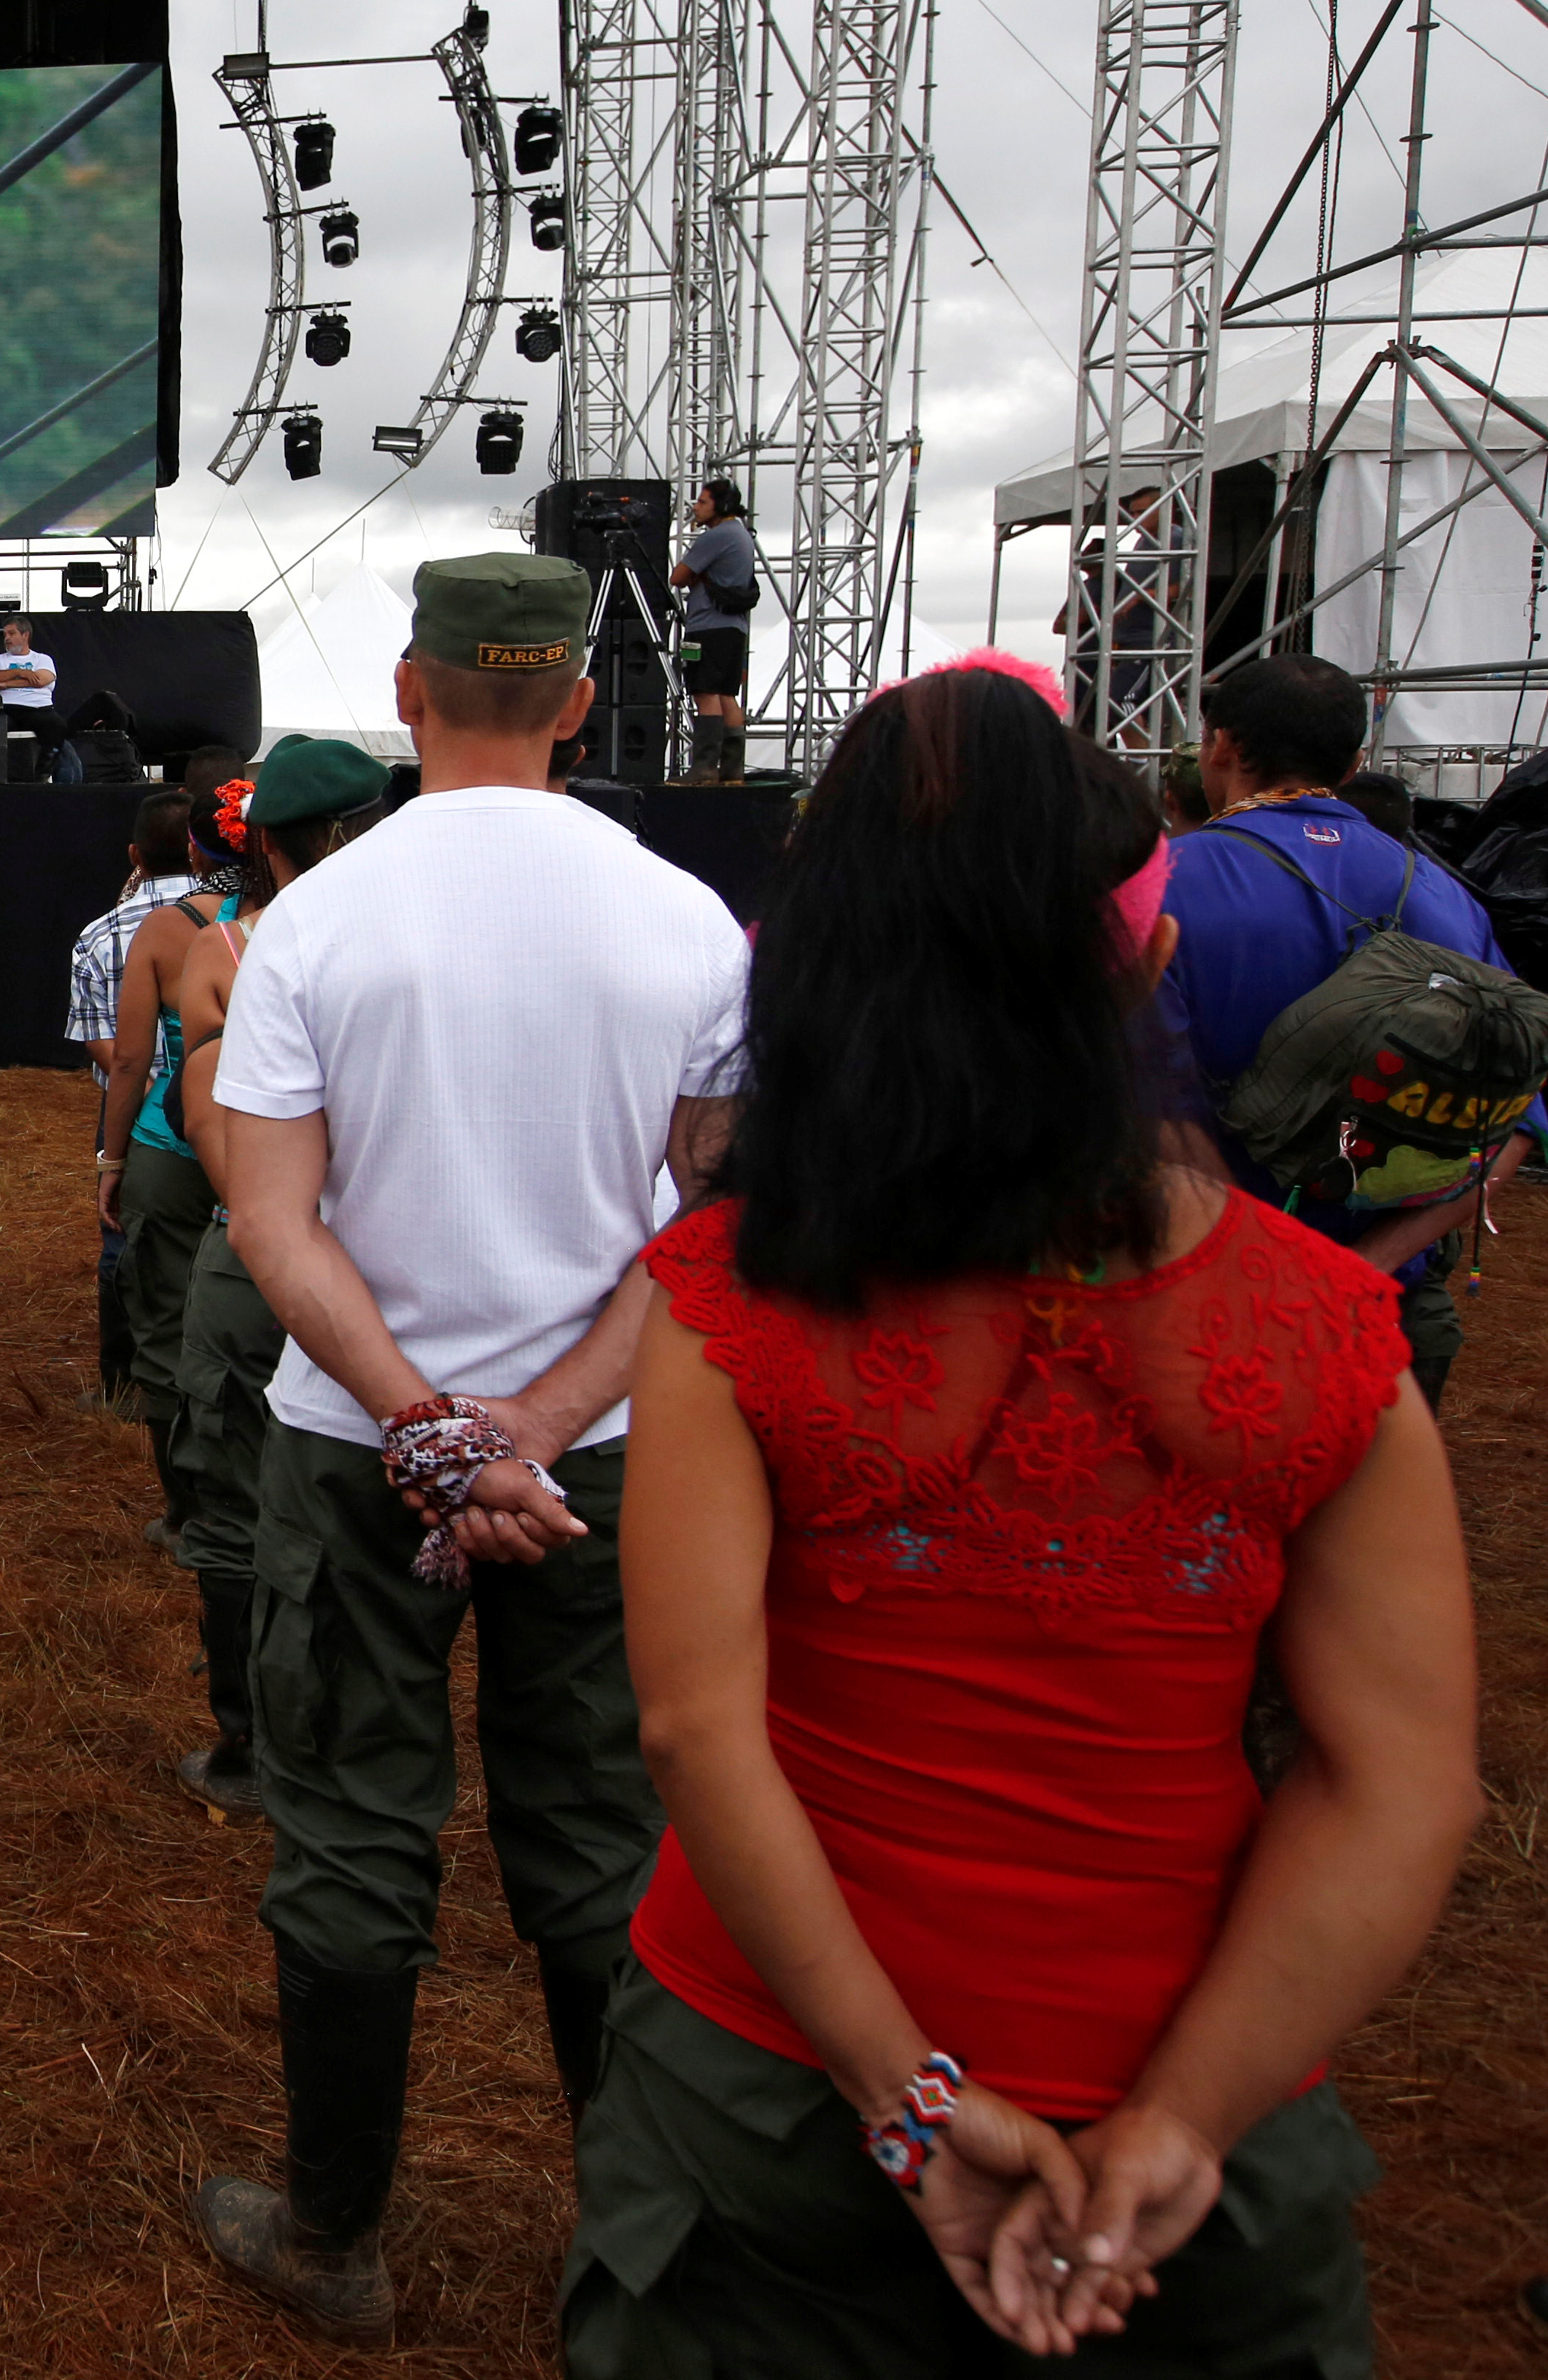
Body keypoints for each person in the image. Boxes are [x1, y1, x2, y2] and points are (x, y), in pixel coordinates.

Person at [563, 657, 1479, 2374]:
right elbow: (1400, 1777)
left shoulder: (728, 1299)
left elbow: (693, 1731)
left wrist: (903, 2107)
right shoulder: (1322, 1331)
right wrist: (1177, 2125)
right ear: (1143, 956)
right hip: (1193, 2126)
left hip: (771, 2104)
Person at [193, 555, 749, 2346]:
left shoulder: (313, 925)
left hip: (355, 1447)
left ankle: (332, 2231)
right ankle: (635, 2236)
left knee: (351, 1828)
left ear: (407, 689)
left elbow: (270, 1223)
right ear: (578, 704)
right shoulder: (687, 923)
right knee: (597, 1843)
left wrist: (430, 1429)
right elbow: (701, 1228)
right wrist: (542, 1424)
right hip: (597, 1459)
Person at [1161, 653, 1539, 1408]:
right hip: (1378, 1313)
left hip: (1209, 1312)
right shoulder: (1440, 893)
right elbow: (1514, 1122)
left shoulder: (1160, 885)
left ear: (1221, 745)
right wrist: (1362, 1271)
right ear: (1356, 760)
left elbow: (1131, 1104)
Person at [156, 738, 388, 1820]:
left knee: (238, 1505)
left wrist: (269, 1226)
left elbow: (211, 1127)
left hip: (259, 1259)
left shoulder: (235, 947)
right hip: (397, 1266)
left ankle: (252, 1746)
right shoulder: (430, 934)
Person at [96, 775, 246, 1566]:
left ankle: (185, 1512)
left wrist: (110, 1159)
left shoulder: (167, 928)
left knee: (162, 1330)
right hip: (277, 1153)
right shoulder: (306, 923)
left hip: (173, 1145)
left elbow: (128, 1061)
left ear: (195, 847)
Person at [66, 786, 203, 1417]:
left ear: (133, 855)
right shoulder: (230, 918)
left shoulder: (99, 935)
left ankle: (125, 1384)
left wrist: (148, 1098)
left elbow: (107, 1044)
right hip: (223, 1103)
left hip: (139, 1110)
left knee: (122, 1238)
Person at [667, 478, 757, 781]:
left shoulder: (716, 537)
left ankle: (704, 768)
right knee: (727, 694)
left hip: (708, 626)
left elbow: (677, 577)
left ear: (721, 506)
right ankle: (733, 770)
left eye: (703, 502)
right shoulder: (743, 536)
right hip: (735, 628)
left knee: (705, 692)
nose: (696, 507)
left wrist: (695, 574)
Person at [0, 615, 73, 779]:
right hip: (8, 709)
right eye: (5, 634)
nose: (7, 638)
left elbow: (41, 680)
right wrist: (22, 673)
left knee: (57, 726)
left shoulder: (42, 659)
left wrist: (8, 684)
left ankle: (42, 774)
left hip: (39, 709)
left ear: (25, 635)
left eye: (12, 634)